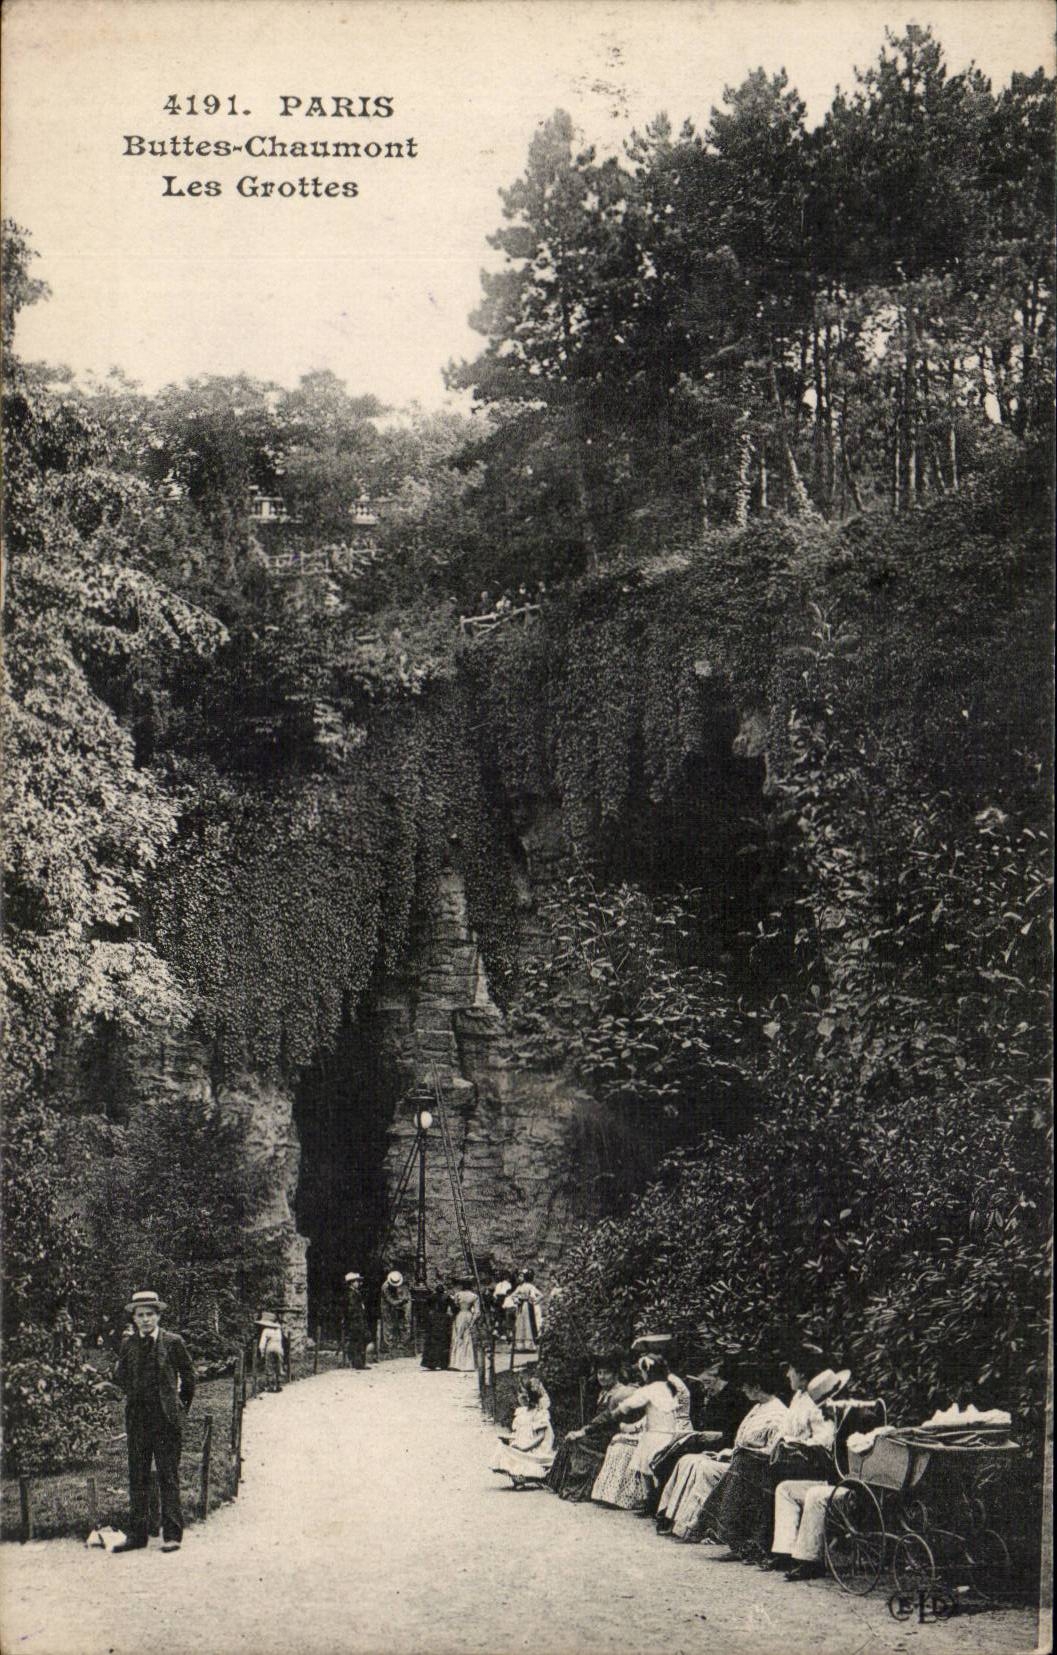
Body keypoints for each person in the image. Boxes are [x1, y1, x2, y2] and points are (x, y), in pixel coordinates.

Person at [703, 1352, 836, 1563]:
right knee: (745, 1461)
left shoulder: (817, 1404)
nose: (787, 1375)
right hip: (785, 1459)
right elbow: (783, 1431)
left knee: (746, 1466)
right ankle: (741, 1540)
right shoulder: (798, 1398)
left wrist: (792, 1445)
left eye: (791, 1370)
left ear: (802, 1375)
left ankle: (751, 1543)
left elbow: (824, 1442)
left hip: (806, 1463)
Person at [656, 1361, 788, 1541]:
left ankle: (696, 1527)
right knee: (689, 1460)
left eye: (745, 1386)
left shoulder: (778, 1413)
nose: (742, 1390)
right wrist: (727, 1452)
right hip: (738, 1459)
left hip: (753, 1469)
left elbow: (771, 1450)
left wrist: (737, 1452)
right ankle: (672, 1518)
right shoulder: (758, 1407)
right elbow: (740, 1441)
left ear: (757, 1387)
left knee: (704, 1468)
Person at [112, 1289, 195, 1554]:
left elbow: (189, 1379)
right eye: (141, 1315)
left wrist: (178, 1408)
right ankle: (137, 1535)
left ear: (158, 1316)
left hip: (165, 1421)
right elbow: (121, 1377)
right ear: (133, 1319)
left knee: (168, 1476)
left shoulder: (173, 1342)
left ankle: (172, 1535)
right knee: (138, 1476)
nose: (146, 1320)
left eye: (150, 1314)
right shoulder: (128, 1345)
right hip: (138, 1420)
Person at [649, 1355, 750, 1521]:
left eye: (708, 1382)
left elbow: (734, 1432)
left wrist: (708, 1435)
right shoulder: (712, 1397)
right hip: (709, 1439)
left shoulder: (735, 1398)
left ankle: (665, 1509)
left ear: (720, 1379)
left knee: (677, 1455)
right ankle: (664, 1507)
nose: (705, 1387)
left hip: (725, 1443)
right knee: (670, 1451)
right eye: (703, 1383)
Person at [591, 1354, 691, 1511]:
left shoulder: (649, 1390)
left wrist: (615, 1413)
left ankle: (651, 1501)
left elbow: (628, 1405)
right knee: (655, 1470)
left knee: (646, 1469)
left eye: (642, 1372)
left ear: (648, 1373)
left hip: (654, 1435)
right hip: (670, 1433)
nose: (641, 1375)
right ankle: (656, 1502)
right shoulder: (668, 1387)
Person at [546, 1355, 635, 1501]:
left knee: (578, 1442)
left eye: (606, 1373)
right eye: (599, 1373)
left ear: (615, 1374)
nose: (602, 1377)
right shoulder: (604, 1392)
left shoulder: (620, 1393)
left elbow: (606, 1418)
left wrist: (583, 1431)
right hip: (599, 1431)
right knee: (569, 1439)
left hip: (611, 1434)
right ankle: (557, 1483)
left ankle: (579, 1489)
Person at [491, 1377, 554, 1486]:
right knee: (503, 1447)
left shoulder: (539, 1413)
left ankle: (529, 1476)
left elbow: (540, 1437)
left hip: (533, 1448)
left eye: (522, 1395)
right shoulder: (522, 1412)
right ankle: (518, 1476)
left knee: (518, 1454)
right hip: (522, 1442)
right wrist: (508, 1438)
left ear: (529, 1397)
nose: (519, 1397)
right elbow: (519, 1433)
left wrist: (525, 1448)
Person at [378, 1270, 412, 1358]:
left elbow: (403, 1295)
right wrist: (401, 1301)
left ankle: (401, 1344)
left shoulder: (401, 1284)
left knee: (402, 1323)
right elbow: (391, 1301)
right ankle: (388, 1346)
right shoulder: (385, 1287)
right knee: (388, 1325)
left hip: (399, 1305)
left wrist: (402, 1302)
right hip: (387, 1307)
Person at [509, 1269, 544, 1354]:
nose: (519, 1278)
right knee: (520, 1323)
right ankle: (520, 1345)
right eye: (519, 1276)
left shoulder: (530, 1286)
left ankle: (529, 1345)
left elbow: (540, 1295)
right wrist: (516, 1300)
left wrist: (534, 1301)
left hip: (528, 1307)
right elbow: (512, 1295)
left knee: (528, 1324)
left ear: (526, 1277)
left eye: (521, 1276)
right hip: (520, 1307)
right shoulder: (519, 1287)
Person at [420, 1280, 452, 1370]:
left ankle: (431, 1362)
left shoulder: (431, 1297)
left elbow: (426, 1308)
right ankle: (443, 1363)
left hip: (433, 1319)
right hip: (443, 1319)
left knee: (432, 1340)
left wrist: (428, 1316)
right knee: (443, 1341)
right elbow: (454, 1307)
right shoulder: (447, 1297)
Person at [448, 1282, 480, 1372]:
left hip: (460, 1315)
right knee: (468, 1338)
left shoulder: (458, 1295)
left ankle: (456, 1363)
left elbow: (453, 1307)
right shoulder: (474, 1296)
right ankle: (468, 1364)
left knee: (458, 1337)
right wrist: (473, 1321)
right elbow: (477, 1312)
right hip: (469, 1315)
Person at [344, 1272, 368, 1369]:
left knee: (360, 1341)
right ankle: (357, 1363)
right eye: (357, 1281)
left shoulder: (355, 1292)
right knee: (357, 1341)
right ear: (351, 1283)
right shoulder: (351, 1294)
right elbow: (351, 1309)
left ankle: (360, 1362)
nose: (358, 1283)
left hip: (359, 1320)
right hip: (355, 1321)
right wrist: (358, 1315)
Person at [256, 1311, 285, 1392]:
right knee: (279, 1366)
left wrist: (262, 1353)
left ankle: (271, 1386)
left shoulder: (266, 1330)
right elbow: (282, 1341)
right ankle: (278, 1385)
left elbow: (262, 1344)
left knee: (269, 1367)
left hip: (270, 1348)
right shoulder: (278, 1330)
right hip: (279, 1348)